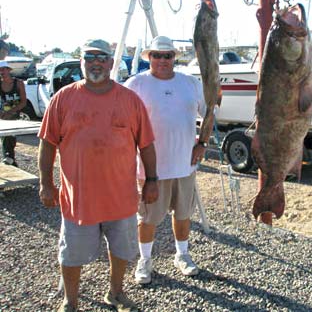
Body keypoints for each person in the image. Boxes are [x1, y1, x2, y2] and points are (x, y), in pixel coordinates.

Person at [38, 38, 159, 312]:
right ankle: (71, 301)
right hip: (78, 199)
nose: (95, 63)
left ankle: (116, 293)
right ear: (81, 62)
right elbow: (47, 143)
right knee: (71, 254)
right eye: (89, 57)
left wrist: (152, 180)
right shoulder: (63, 98)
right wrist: (46, 183)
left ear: (111, 62)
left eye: (101, 58)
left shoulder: (130, 100)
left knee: (121, 250)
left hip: (121, 198)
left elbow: (147, 144)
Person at [124, 35, 207, 285]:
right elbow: (123, 124)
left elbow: (210, 112)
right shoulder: (135, 84)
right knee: (147, 218)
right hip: (150, 169)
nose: (162, 60)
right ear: (149, 57)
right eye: (157, 55)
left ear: (174, 57)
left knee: (183, 214)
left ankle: (182, 255)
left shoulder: (191, 83)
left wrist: (202, 143)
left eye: (167, 55)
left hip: (185, 164)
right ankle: (145, 260)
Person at [0, 60, 27, 166]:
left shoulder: (18, 83)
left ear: (8, 70)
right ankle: (9, 157)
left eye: (3, 69)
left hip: (15, 113)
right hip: (3, 114)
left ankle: (9, 157)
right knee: (5, 136)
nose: (2, 72)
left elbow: (23, 102)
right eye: (0, 70)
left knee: (10, 135)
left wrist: (11, 111)